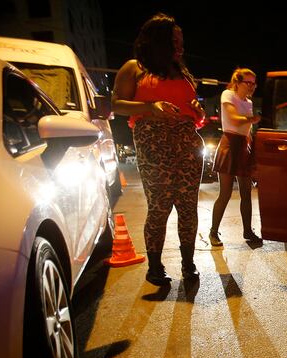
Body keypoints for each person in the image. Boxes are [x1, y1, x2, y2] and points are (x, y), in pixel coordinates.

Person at [111, 13, 205, 285]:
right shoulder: (135, 68)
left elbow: (192, 112)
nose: (181, 47)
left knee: (188, 207)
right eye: (175, 41)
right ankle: (155, 267)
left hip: (187, 141)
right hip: (153, 142)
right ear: (159, 42)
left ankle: (188, 264)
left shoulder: (181, 71)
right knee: (160, 206)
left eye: (181, 41)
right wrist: (149, 108)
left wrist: (198, 111)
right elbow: (116, 104)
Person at [208, 68, 262, 246]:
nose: (252, 86)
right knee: (225, 193)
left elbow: (248, 129)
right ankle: (213, 232)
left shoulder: (249, 102)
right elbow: (233, 118)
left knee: (246, 193)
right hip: (230, 144)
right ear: (237, 82)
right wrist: (252, 119)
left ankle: (248, 231)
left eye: (254, 83)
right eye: (249, 82)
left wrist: (253, 148)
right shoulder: (227, 94)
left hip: (243, 146)